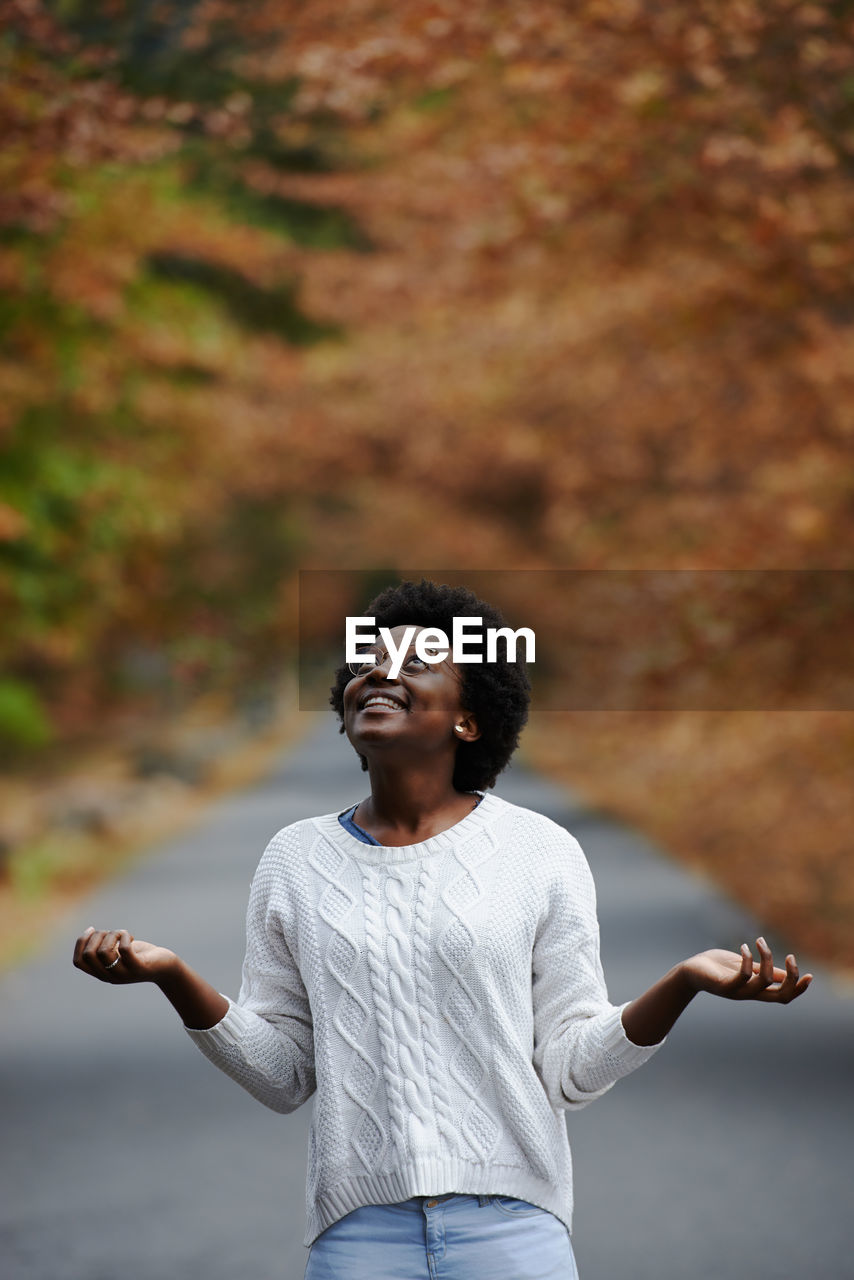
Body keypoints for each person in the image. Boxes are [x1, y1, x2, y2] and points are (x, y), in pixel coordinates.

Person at [73, 579, 812, 1280]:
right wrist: (171, 975)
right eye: (366, 663)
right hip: (357, 1234)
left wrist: (681, 984)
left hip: (514, 1228)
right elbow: (283, 1074)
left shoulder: (539, 851)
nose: (377, 674)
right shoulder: (295, 859)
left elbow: (570, 1069)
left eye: (414, 664)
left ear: (469, 717)